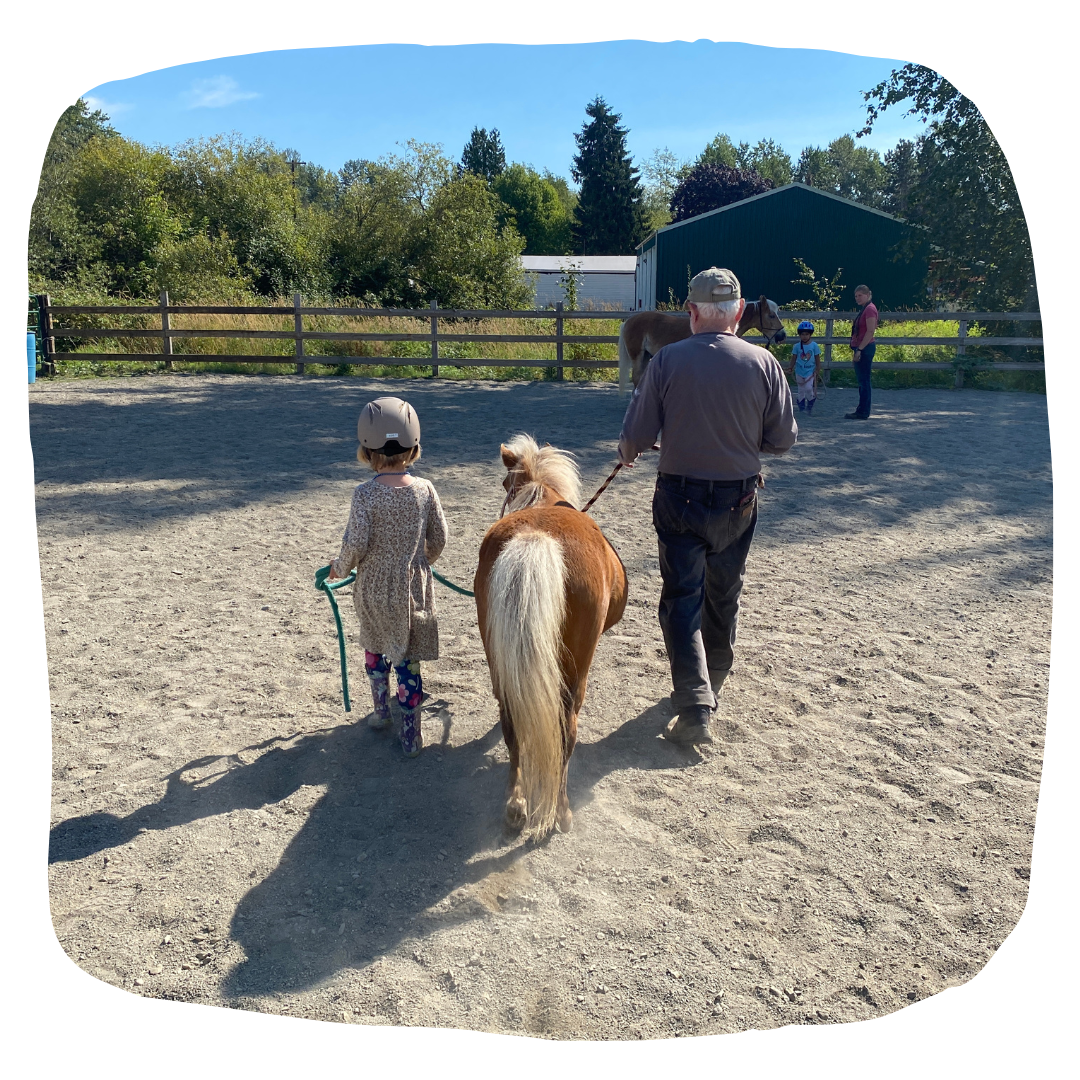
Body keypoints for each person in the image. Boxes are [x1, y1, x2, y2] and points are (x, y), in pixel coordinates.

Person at [617, 268, 798, 746]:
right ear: (740, 313)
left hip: (679, 496)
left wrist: (630, 452)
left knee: (681, 598)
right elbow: (782, 440)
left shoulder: (667, 361)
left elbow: (635, 437)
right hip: (738, 498)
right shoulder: (764, 364)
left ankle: (694, 702)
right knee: (725, 591)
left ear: (692, 313)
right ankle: (714, 675)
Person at [328, 397, 448, 757]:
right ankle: (411, 735)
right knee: (408, 659)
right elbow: (439, 538)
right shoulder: (425, 490)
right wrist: (420, 562)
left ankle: (381, 712)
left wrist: (340, 567)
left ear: (368, 448)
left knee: (374, 645)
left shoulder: (364, 495)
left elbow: (356, 543)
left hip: (374, 589)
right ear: (413, 446)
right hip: (413, 590)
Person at [845, 285, 879, 420]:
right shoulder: (866, 309)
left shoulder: (870, 309)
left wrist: (859, 349)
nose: (857, 298)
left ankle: (863, 411)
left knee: (864, 381)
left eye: (860, 295)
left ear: (867, 295)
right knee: (862, 380)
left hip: (864, 348)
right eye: (856, 296)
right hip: (862, 347)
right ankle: (862, 409)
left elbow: (870, 331)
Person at [787, 320, 822, 414]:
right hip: (799, 371)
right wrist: (791, 367)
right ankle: (802, 407)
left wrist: (818, 369)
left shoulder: (814, 346)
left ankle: (810, 405)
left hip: (810, 371)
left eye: (806, 334)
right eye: (802, 334)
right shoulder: (796, 346)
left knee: (808, 388)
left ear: (810, 334)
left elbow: (817, 358)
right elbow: (794, 358)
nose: (804, 336)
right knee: (801, 389)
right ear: (799, 335)